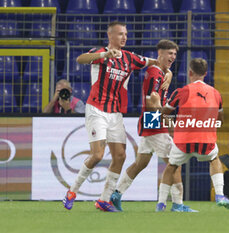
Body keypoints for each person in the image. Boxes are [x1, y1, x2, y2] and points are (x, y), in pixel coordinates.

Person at [62, 21, 164, 212]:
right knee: (98, 155)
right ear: (110, 36)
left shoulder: (129, 58)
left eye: (125, 34)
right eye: (120, 34)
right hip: (97, 110)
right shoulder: (100, 53)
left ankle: (104, 199)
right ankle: (72, 191)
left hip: (115, 113)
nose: (124, 37)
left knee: (120, 155)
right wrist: (104, 54)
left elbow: (150, 62)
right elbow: (80, 59)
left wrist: (166, 71)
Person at [109, 40, 196, 212]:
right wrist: (165, 117)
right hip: (154, 121)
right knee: (174, 162)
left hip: (150, 121)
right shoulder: (154, 74)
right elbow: (150, 102)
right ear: (160, 54)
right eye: (169, 53)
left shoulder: (161, 72)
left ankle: (116, 194)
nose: (173, 57)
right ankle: (177, 204)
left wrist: (168, 73)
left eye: (175, 54)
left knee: (140, 163)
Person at [150, 58, 229, 212]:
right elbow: (221, 119)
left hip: (183, 141)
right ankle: (220, 195)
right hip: (206, 141)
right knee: (214, 159)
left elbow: (163, 114)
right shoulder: (216, 94)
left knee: (171, 166)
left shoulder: (181, 92)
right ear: (206, 74)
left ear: (189, 72)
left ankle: (161, 204)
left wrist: (159, 108)